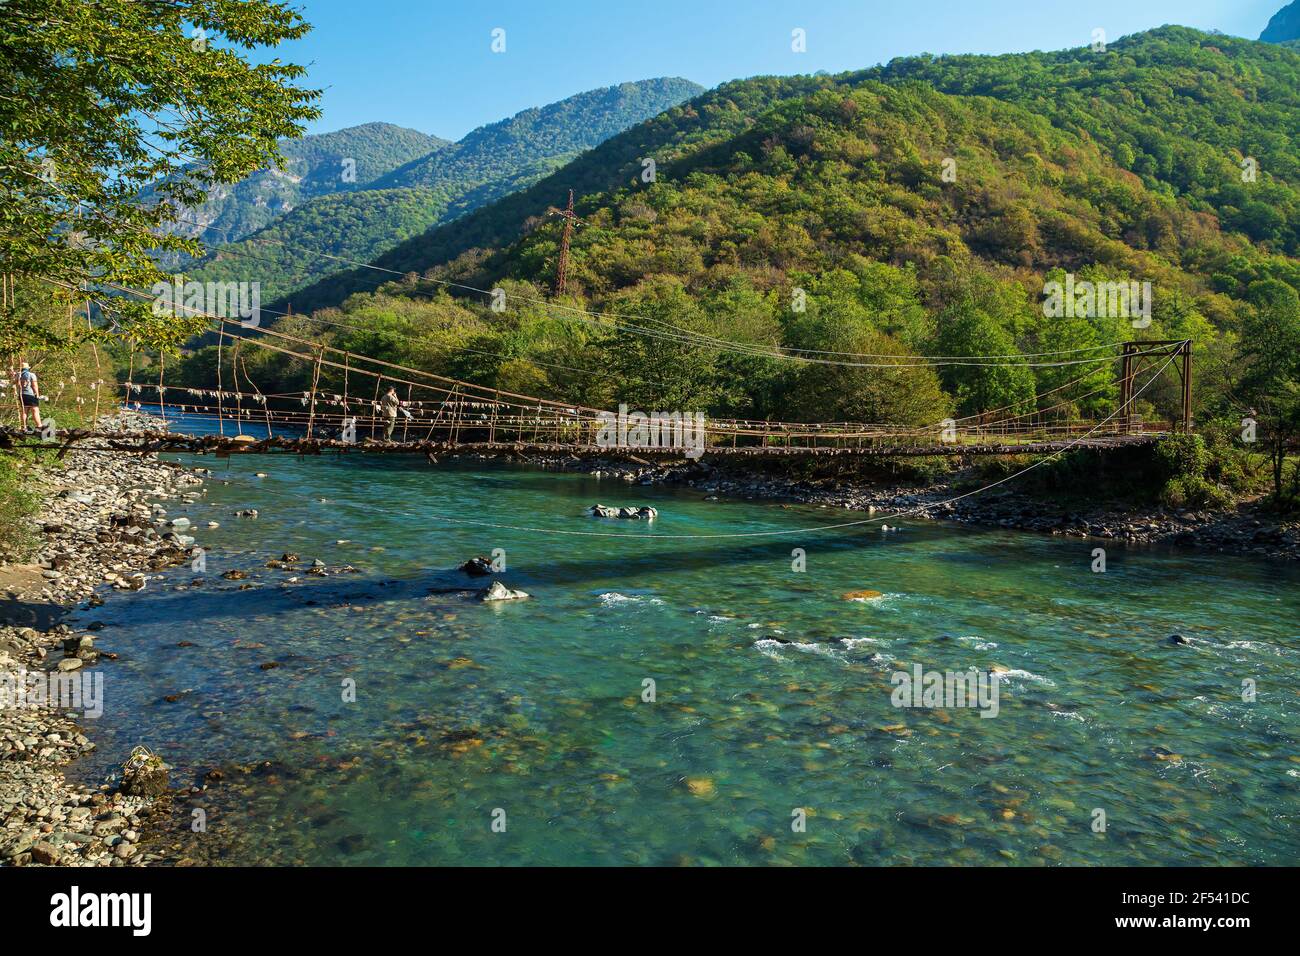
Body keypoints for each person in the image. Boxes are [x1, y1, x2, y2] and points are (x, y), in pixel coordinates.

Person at [18, 362, 42, 431]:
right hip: (30, 394)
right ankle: (39, 426)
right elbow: (34, 385)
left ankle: (24, 426)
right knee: (35, 410)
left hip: (22, 394)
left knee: (24, 411)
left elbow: (15, 383)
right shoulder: (31, 375)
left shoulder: (19, 375)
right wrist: (37, 394)